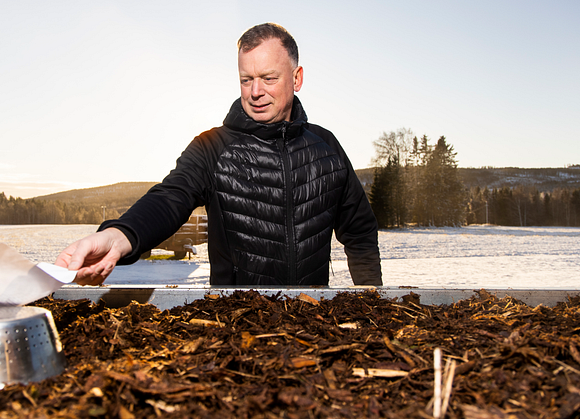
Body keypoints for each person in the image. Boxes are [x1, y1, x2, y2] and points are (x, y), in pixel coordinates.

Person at [56, 23, 382, 287]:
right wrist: (119, 236)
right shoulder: (212, 146)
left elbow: (360, 232)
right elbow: (170, 198)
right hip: (235, 329)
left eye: (268, 78)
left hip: (309, 323)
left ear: (296, 79)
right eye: (246, 79)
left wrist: (371, 299)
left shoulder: (326, 147)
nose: (255, 92)